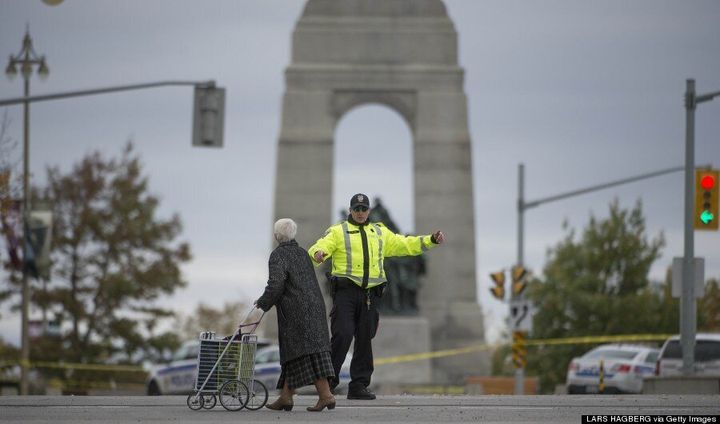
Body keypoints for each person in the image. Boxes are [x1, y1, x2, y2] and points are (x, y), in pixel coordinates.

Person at [308, 193, 445, 400]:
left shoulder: (380, 232)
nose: (361, 213)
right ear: (350, 210)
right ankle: (328, 383)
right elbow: (320, 246)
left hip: (371, 295)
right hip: (346, 293)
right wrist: (319, 253)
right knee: (343, 334)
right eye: (357, 209)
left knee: (365, 339)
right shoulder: (338, 231)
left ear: (369, 211)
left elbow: (405, 244)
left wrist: (431, 240)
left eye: (364, 209)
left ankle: (358, 386)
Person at [255, 218, 336, 412]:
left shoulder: (278, 255)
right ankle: (285, 397)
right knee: (300, 353)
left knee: (305, 353)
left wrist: (263, 302)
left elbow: (276, 285)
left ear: (276, 236)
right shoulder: (303, 253)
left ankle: (326, 395)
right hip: (315, 308)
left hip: (295, 312)